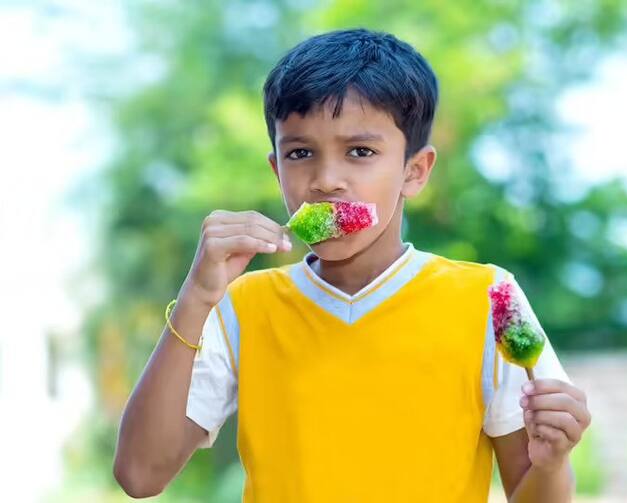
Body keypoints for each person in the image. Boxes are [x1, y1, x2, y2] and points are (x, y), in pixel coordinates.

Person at [113, 28, 591, 502]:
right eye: (300, 153)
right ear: (277, 170)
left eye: (360, 152)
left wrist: (552, 461)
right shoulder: (241, 305)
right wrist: (196, 297)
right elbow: (139, 475)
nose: (325, 180)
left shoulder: (487, 297)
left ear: (414, 171)